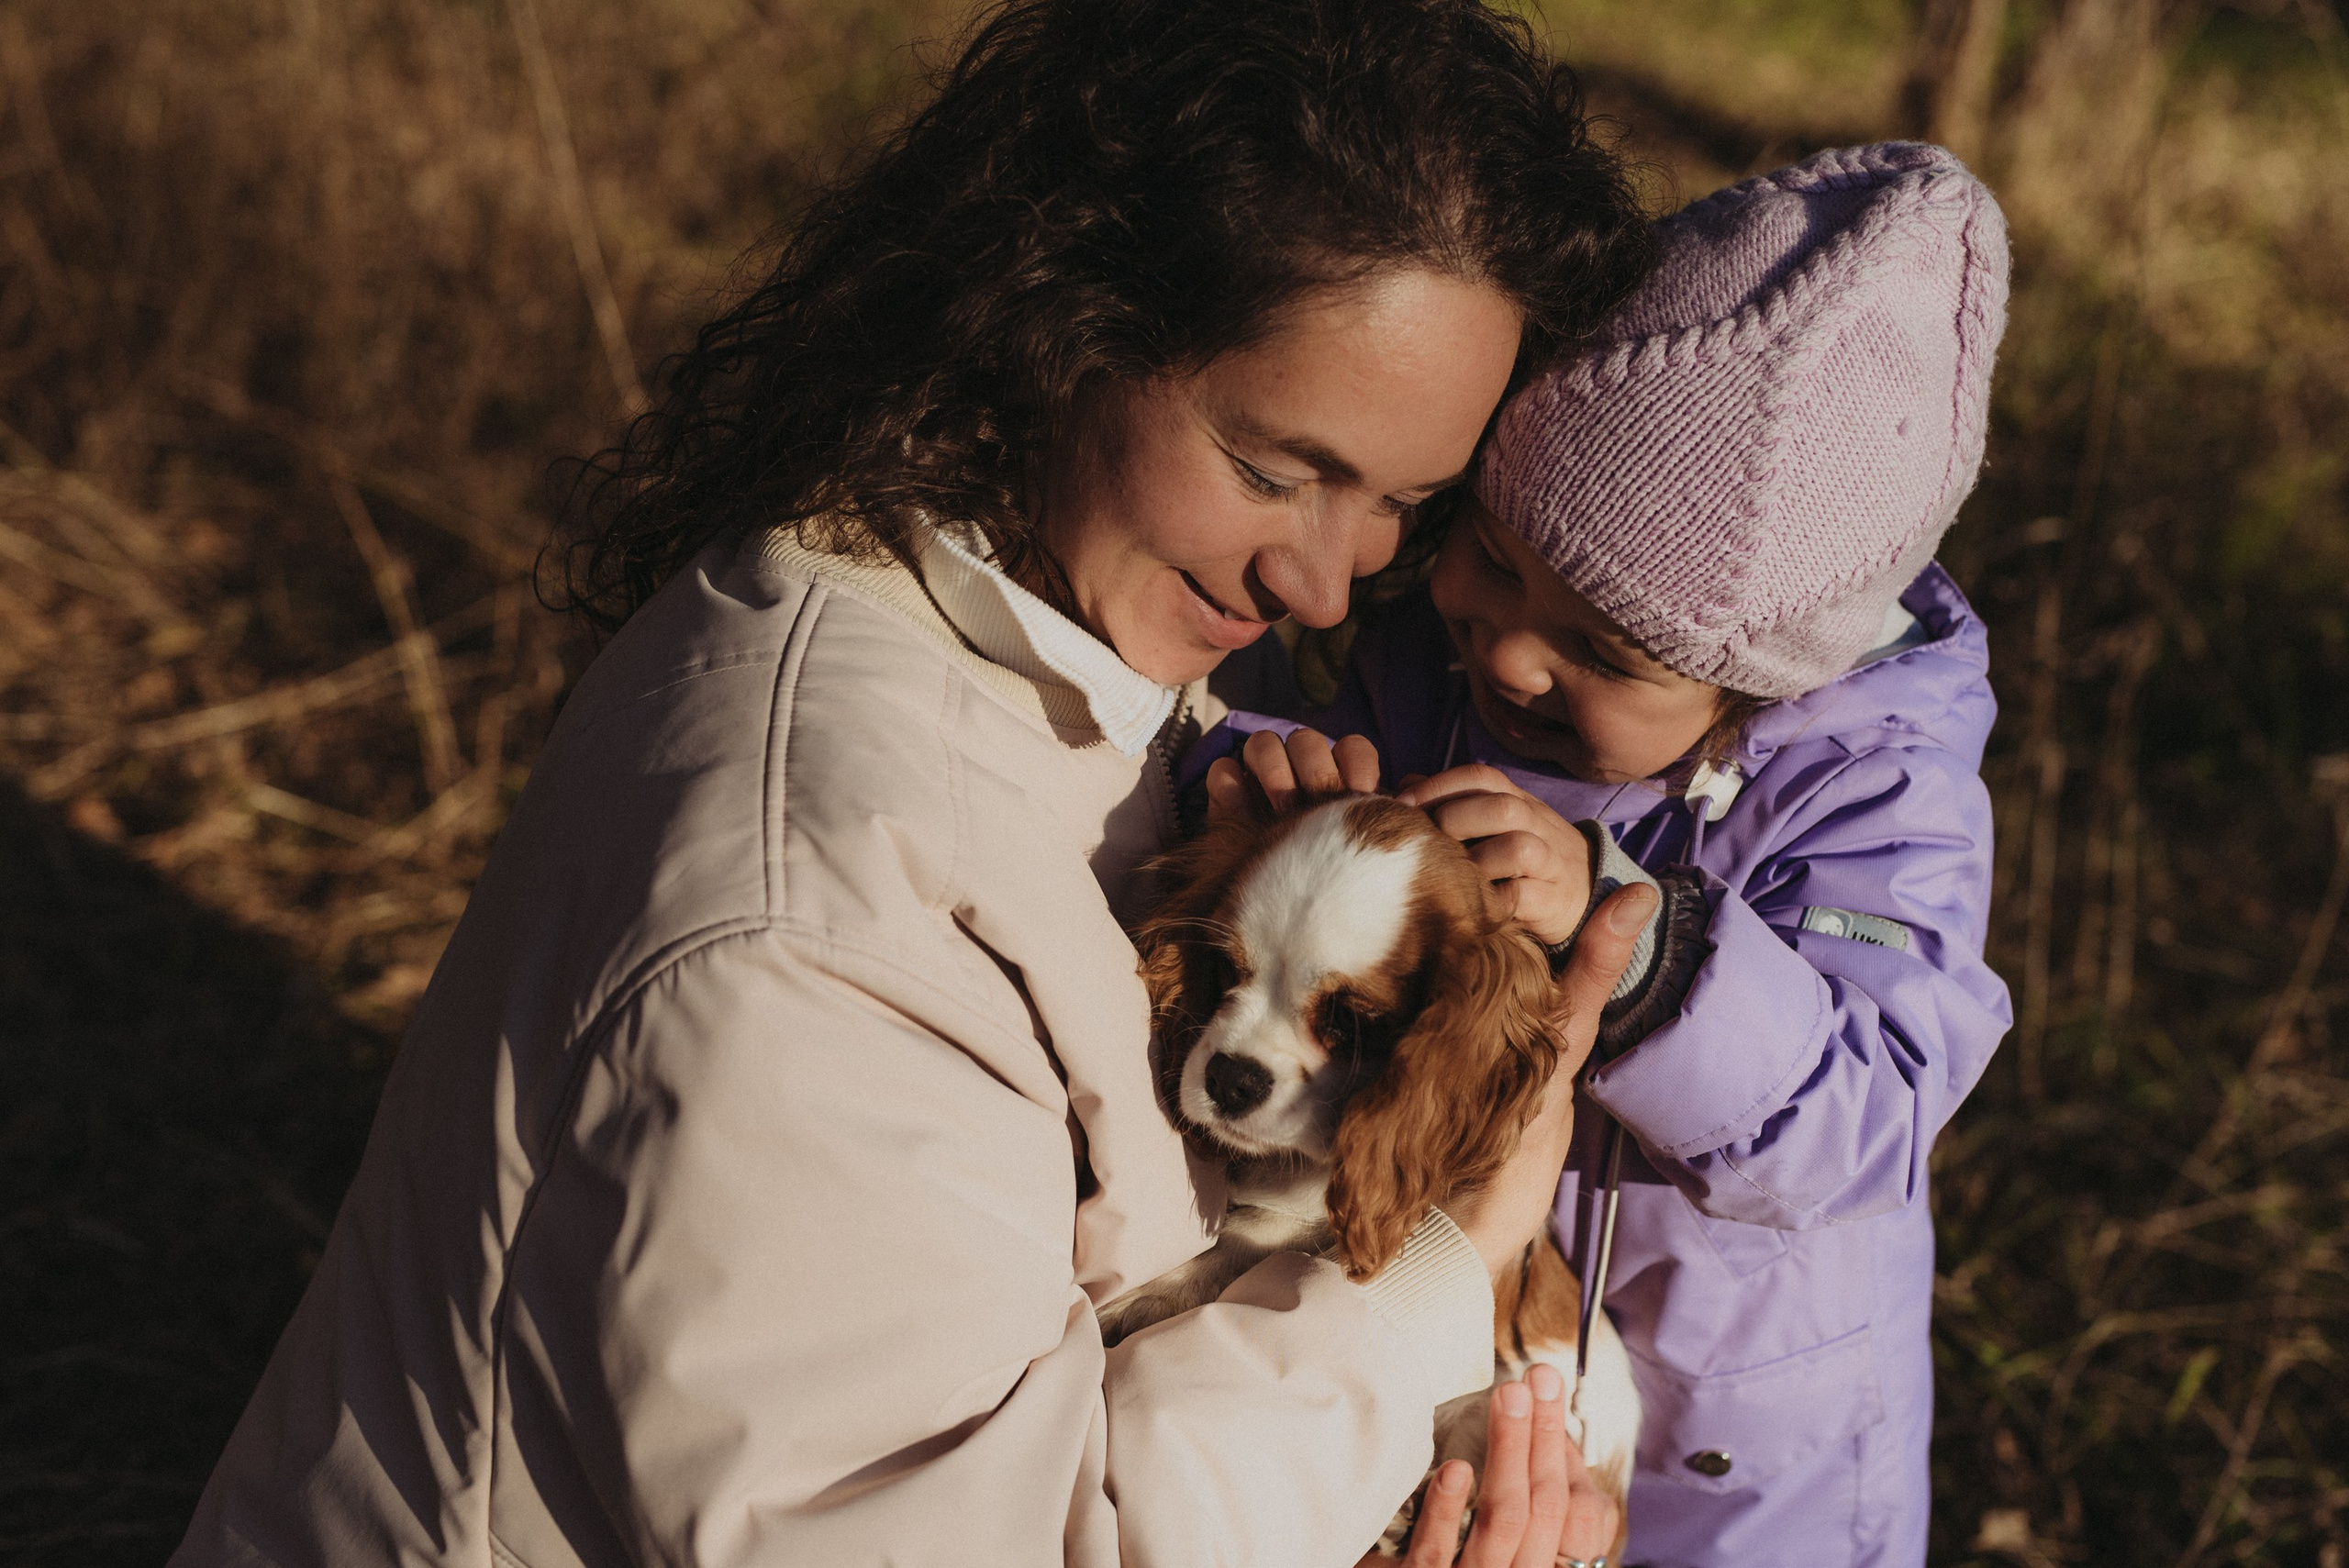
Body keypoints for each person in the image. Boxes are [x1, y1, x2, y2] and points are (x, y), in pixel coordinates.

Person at [166, 3, 1663, 1564]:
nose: (1328, 584)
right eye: (1275, 471)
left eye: (1404, 504)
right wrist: (1433, 1279)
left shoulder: (1039, 652)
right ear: (1072, 318)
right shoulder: (811, 912)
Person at [1205, 143, 2017, 1564]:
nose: (1512, 653)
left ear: (1758, 684)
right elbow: (1300, 793)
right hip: (1472, 1319)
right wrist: (1274, 785)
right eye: (1494, 557)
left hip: (1739, 1442)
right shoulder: (1429, 668)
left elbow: (1871, 1107)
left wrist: (1651, 953)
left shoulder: (1875, 793)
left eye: (1603, 650)